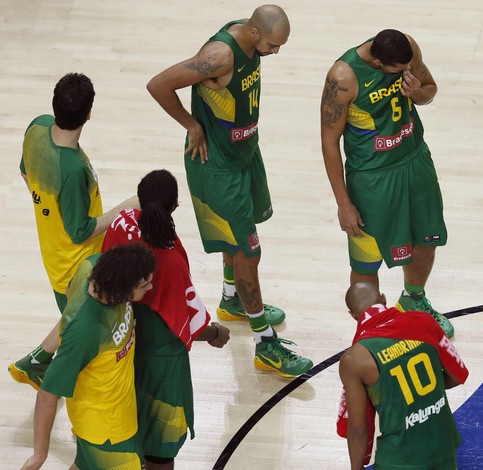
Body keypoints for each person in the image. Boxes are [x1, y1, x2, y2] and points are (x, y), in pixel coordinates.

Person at [146, 5, 312, 377]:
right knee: (247, 254)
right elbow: (158, 83)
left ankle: (231, 298)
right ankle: (265, 343)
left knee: (238, 241)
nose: (276, 52)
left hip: (244, 155)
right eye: (273, 45)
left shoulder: (248, 37)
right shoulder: (219, 56)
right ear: (254, 33)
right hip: (219, 168)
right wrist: (191, 125)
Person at [9, 73, 140, 390]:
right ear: (89, 114)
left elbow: (25, 172)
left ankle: (36, 363)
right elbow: (80, 231)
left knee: (75, 318)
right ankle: (42, 370)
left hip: (53, 251)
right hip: (76, 262)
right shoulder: (73, 168)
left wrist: (48, 211)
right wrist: (126, 207)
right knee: (92, 335)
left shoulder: (37, 128)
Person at [320, 29, 454, 337]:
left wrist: (417, 92)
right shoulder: (343, 77)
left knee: (426, 240)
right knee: (367, 261)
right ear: (378, 63)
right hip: (372, 179)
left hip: (414, 161)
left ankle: (414, 299)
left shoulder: (408, 48)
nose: (406, 72)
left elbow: (430, 91)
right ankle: (373, 330)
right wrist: (344, 204)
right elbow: (329, 143)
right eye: (399, 71)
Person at [102, 169, 231, 469]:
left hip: (120, 349)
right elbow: (182, 320)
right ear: (174, 206)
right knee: (160, 451)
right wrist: (213, 334)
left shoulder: (121, 224)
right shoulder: (169, 259)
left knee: (127, 436)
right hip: (161, 363)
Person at [21, 244, 157, 470]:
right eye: (144, 285)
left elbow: (69, 292)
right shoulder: (86, 331)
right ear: (122, 289)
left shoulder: (93, 265)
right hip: (107, 430)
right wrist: (39, 456)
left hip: (109, 416)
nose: (151, 287)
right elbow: (47, 395)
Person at [338, 282, 469, 469]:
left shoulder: (354, 359)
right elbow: (456, 376)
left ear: (352, 315)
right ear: (383, 299)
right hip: (443, 443)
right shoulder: (424, 321)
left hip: (398, 457)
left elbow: (359, 429)